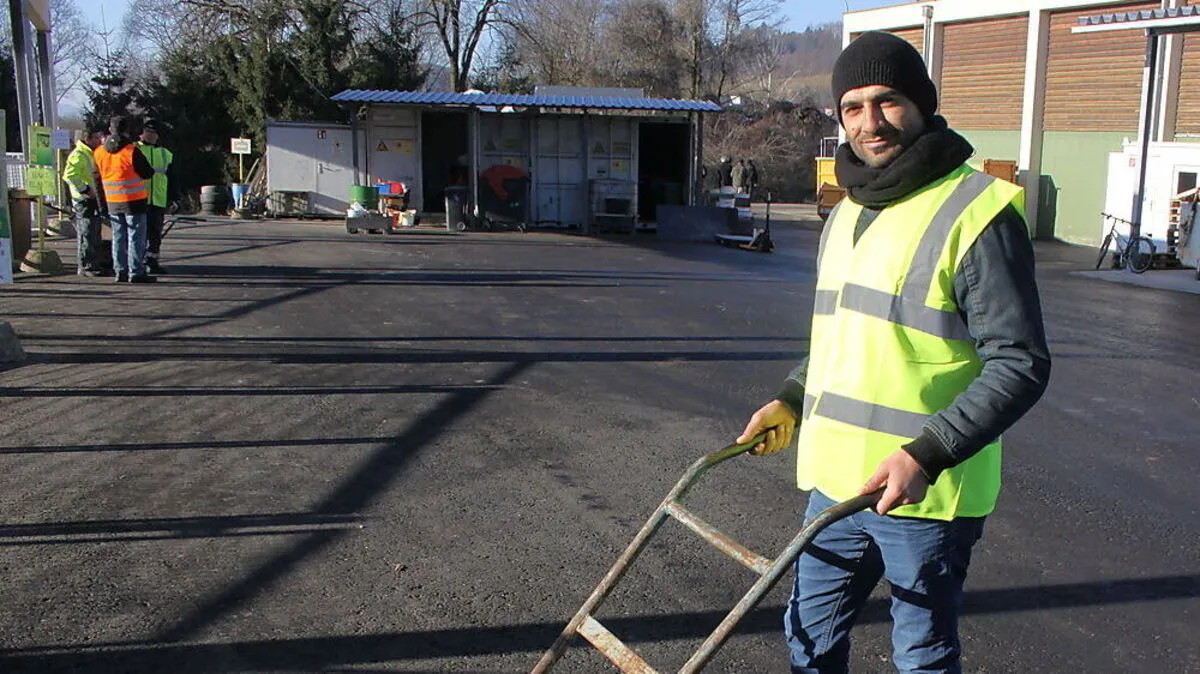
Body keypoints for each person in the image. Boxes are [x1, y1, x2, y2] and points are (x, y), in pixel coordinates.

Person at [736, 31, 1050, 674]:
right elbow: (844, 336)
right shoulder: (847, 211)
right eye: (852, 107)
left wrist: (926, 454)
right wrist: (792, 398)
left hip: (925, 492)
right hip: (836, 484)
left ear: (922, 104)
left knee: (921, 657)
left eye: (887, 101)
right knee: (808, 640)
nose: (870, 122)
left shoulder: (977, 211)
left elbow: (1020, 363)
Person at [93, 116, 156, 283]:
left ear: (110, 129)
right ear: (127, 130)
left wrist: (101, 205)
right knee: (136, 237)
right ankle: (136, 272)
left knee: (118, 237)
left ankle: (120, 271)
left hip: (112, 201)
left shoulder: (99, 153)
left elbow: (96, 180)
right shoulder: (131, 151)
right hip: (134, 201)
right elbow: (148, 173)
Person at [62, 124, 107, 277]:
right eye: (96, 138)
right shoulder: (79, 154)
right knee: (86, 232)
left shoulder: (90, 153)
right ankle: (86, 266)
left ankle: (94, 263)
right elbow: (69, 175)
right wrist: (85, 190)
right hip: (83, 200)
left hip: (93, 199)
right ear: (87, 139)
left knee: (94, 232)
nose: (99, 140)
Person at [136, 117, 177, 275]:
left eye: (154, 133)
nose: (151, 135)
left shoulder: (166, 154)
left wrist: (173, 198)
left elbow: (172, 178)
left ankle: (153, 261)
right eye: (148, 132)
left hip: (158, 199)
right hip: (139, 199)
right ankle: (138, 262)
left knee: (155, 235)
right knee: (139, 234)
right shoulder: (134, 149)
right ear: (142, 133)